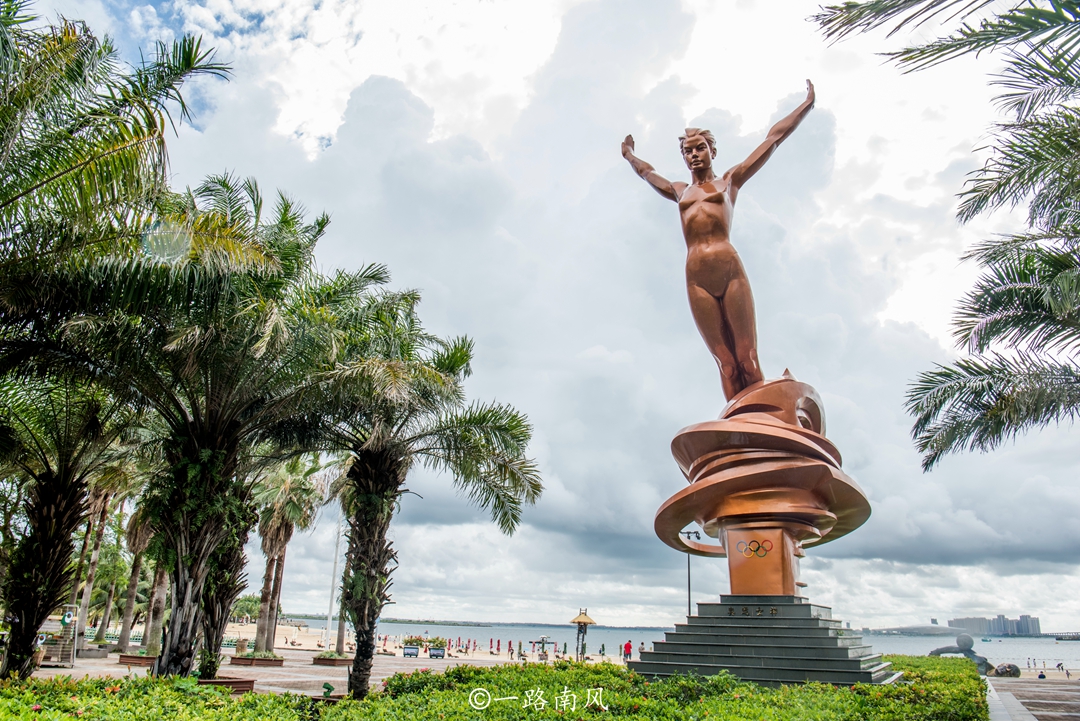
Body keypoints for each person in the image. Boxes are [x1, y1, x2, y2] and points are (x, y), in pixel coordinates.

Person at [622, 81, 816, 400]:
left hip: (728, 269)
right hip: (696, 276)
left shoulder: (729, 182)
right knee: (726, 365)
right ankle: (738, 427)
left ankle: (762, 418)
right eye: (688, 151)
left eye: (700, 148)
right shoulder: (679, 191)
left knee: (748, 360)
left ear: (712, 151)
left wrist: (805, 106)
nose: (694, 155)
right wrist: (630, 155)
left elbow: (774, 139)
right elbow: (646, 172)